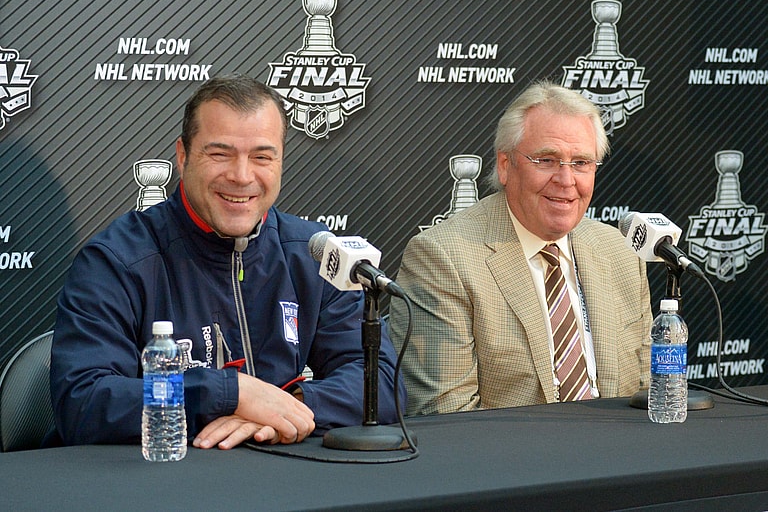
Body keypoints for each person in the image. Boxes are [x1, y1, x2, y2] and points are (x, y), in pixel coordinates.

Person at [51, 75, 404, 449]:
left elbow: (382, 381)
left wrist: (287, 409)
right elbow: (83, 401)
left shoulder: (313, 254)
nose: (241, 175)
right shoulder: (119, 260)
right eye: (220, 154)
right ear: (183, 156)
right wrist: (229, 394)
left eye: (262, 157)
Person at [389, 80, 651, 416]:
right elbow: (447, 417)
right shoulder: (442, 258)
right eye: (546, 160)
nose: (566, 179)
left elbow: (647, 393)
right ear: (504, 165)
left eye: (581, 163)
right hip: (512, 464)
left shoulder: (620, 251)